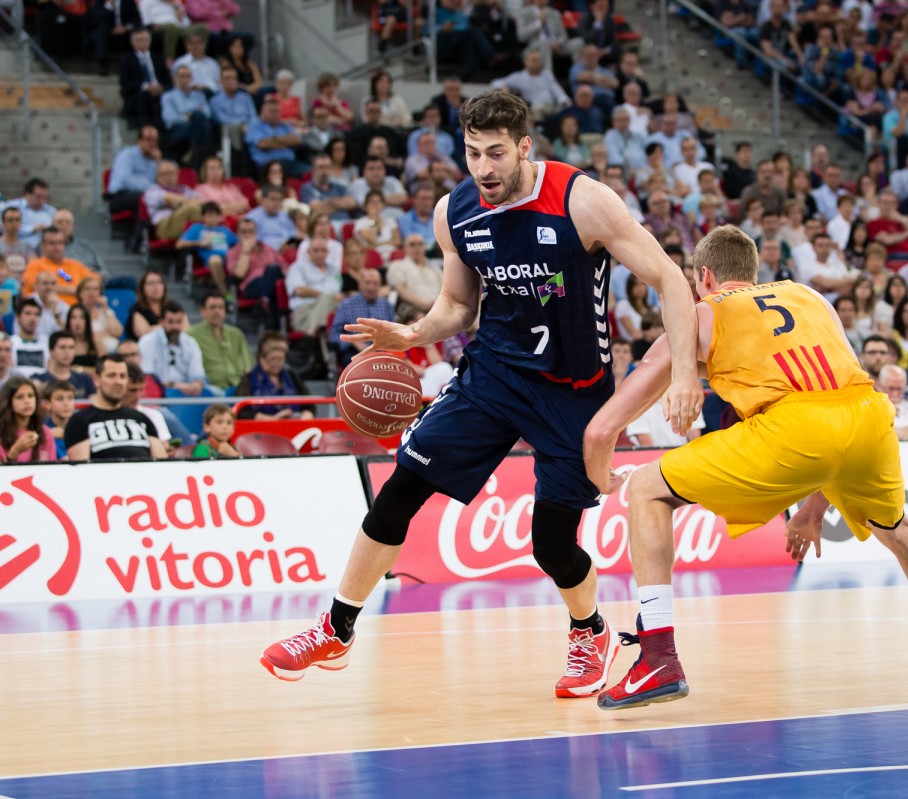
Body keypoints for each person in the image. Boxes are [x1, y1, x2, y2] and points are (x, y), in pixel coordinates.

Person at [260, 91, 704, 696]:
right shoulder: (456, 211)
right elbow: (458, 305)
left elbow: (671, 280)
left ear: (524, 147)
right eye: (473, 153)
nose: (484, 167)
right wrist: (413, 333)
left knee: (552, 545)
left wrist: (684, 376)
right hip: (494, 373)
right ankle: (336, 629)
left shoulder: (582, 201)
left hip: (573, 392)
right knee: (400, 489)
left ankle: (589, 629)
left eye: (496, 153)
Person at [580, 225, 908, 710]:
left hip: (793, 428)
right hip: (867, 417)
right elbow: (835, 411)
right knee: (900, 531)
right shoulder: (810, 297)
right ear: (753, 271)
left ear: (704, 277)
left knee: (646, 488)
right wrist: (812, 509)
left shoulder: (700, 313)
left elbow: (602, 431)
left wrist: (598, 476)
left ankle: (658, 656)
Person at [65, 355, 167, 462]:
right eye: (111, 376)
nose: (118, 382)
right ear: (96, 380)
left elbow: (161, 463)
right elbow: (82, 467)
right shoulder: (80, 421)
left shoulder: (142, 419)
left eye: (122, 376)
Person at [233, 332, 312, 420]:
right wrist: (271, 419)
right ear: (262, 358)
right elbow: (242, 411)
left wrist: (307, 414)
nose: (277, 363)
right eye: (273, 359)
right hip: (262, 426)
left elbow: (308, 405)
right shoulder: (249, 379)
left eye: (280, 359)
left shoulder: (292, 376)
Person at [138, 301, 210, 396]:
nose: (175, 326)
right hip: (158, 394)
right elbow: (148, 377)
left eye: (179, 322)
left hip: (187, 393)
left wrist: (196, 384)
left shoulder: (190, 343)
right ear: (161, 322)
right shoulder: (147, 341)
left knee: (215, 394)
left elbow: (197, 373)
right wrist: (174, 385)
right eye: (170, 322)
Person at [185, 292, 253, 392]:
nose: (217, 311)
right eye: (212, 307)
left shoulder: (236, 334)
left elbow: (248, 364)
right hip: (209, 389)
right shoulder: (190, 335)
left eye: (221, 307)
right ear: (202, 311)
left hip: (238, 387)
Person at [329, 267, 393, 368]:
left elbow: (393, 332)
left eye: (375, 283)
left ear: (380, 286)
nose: (371, 287)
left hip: (382, 351)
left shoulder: (387, 305)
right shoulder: (347, 305)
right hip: (354, 351)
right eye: (368, 283)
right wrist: (353, 342)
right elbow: (334, 335)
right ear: (360, 284)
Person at [22, 227, 97, 306]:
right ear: (43, 245)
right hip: (46, 309)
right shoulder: (34, 265)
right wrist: (77, 290)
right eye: (52, 243)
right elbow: (40, 288)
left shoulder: (76, 265)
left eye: (60, 243)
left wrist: (78, 290)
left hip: (78, 310)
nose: (57, 247)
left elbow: (95, 284)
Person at [176, 202, 236, 294]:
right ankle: (225, 293)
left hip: (228, 258)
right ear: (203, 217)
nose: (211, 218)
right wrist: (197, 243)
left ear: (219, 217)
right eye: (208, 215)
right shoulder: (197, 228)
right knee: (215, 261)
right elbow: (179, 244)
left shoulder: (225, 230)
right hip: (210, 259)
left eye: (214, 215)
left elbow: (238, 244)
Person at [0, 377, 58, 464]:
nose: (27, 401)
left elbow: (53, 467)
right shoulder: (1, 432)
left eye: (31, 396)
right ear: (8, 401)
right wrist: (14, 453)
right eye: (20, 397)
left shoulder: (45, 432)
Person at [32, 331, 95, 398]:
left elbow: (94, 401)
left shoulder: (85, 380)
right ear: (51, 351)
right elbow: (36, 387)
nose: (67, 352)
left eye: (71, 347)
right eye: (62, 347)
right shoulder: (39, 378)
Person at [11, 299, 50, 378]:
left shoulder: (48, 343)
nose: (33, 318)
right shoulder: (9, 343)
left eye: (36, 314)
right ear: (18, 317)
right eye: (27, 314)